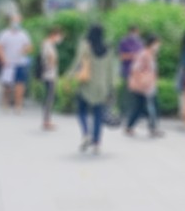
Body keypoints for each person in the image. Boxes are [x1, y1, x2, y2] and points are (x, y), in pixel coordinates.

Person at [70, 24, 116, 154]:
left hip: (86, 84)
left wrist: (69, 76)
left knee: (81, 111)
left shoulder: (85, 46)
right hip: (102, 87)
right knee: (98, 115)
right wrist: (111, 87)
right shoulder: (108, 49)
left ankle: (85, 134)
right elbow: (110, 71)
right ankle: (96, 143)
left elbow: (77, 63)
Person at [125, 34, 164, 138]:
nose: (158, 46)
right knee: (149, 106)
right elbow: (135, 69)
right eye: (157, 43)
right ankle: (151, 128)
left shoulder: (151, 55)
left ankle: (131, 127)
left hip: (148, 86)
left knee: (142, 106)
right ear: (152, 43)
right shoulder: (144, 54)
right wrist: (140, 82)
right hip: (143, 86)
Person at [0, 15, 33, 113]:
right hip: (8, 63)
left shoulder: (24, 34)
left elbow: (30, 47)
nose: (16, 23)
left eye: (18, 21)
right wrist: (3, 59)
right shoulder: (5, 34)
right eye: (14, 21)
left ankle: (18, 105)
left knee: (20, 85)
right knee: (7, 86)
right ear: (11, 22)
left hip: (20, 63)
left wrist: (25, 49)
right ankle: (5, 103)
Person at [117, 25, 143, 118]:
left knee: (135, 93)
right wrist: (132, 56)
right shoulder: (124, 42)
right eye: (135, 32)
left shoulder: (140, 42)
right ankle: (123, 111)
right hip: (127, 70)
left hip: (137, 72)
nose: (136, 34)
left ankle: (134, 112)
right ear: (130, 32)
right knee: (126, 92)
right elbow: (121, 56)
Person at [40, 27, 63, 131]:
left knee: (49, 97)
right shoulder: (48, 45)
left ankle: (47, 119)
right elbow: (51, 58)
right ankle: (46, 121)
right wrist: (53, 65)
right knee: (49, 97)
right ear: (54, 35)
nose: (60, 38)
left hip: (48, 74)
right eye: (59, 36)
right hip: (49, 75)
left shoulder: (47, 44)